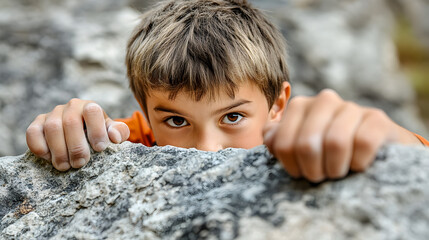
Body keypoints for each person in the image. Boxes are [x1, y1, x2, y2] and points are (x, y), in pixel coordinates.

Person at [25, 0, 428, 183]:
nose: (207, 148)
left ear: (278, 105)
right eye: (177, 120)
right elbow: (91, 132)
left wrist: (392, 138)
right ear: (146, 115)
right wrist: (67, 130)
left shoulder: (306, 135)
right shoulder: (133, 141)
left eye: (232, 116)